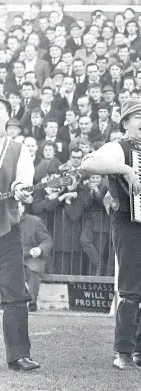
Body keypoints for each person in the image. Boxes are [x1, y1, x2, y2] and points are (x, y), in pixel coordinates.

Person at [81, 98, 141, 370]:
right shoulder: (120, 147)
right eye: (137, 116)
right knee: (131, 290)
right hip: (129, 222)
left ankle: (138, 351)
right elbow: (88, 163)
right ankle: (123, 353)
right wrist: (125, 168)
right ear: (126, 123)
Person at [0, 88, 40, 371]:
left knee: (16, 294)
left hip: (7, 231)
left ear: (8, 116)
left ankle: (19, 356)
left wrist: (20, 190)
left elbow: (23, 180)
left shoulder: (19, 149)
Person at [19, 202, 52, 312]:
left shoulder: (34, 221)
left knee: (33, 269)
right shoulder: (3, 223)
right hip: (11, 258)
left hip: (31, 257)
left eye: (16, 206)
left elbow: (47, 240)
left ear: (22, 207)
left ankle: (32, 303)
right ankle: (5, 301)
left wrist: (40, 249)